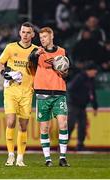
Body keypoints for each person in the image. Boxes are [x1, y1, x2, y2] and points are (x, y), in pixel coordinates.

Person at [0, 22, 37, 166]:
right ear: (19, 33)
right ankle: (10, 155)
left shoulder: (36, 51)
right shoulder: (10, 47)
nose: (25, 35)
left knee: (23, 125)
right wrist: (4, 73)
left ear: (32, 35)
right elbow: (0, 63)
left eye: (28, 32)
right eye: (23, 32)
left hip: (27, 92)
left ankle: (20, 158)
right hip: (11, 90)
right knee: (11, 121)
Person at [29, 27, 70, 167]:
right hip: (42, 94)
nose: (42, 40)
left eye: (45, 37)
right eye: (41, 38)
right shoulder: (37, 52)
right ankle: (48, 159)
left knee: (63, 123)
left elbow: (68, 72)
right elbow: (30, 62)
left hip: (59, 93)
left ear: (51, 36)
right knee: (44, 128)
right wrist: (35, 54)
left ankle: (63, 157)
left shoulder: (62, 52)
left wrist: (64, 73)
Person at [68, 62, 98, 151]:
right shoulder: (79, 77)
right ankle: (63, 144)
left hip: (82, 107)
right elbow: (71, 89)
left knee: (83, 126)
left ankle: (80, 144)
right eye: (94, 71)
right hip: (74, 105)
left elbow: (92, 94)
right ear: (89, 71)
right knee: (70, 125)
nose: (95, 73)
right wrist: (78, 99)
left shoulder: (91, 79)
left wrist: (94, 106)